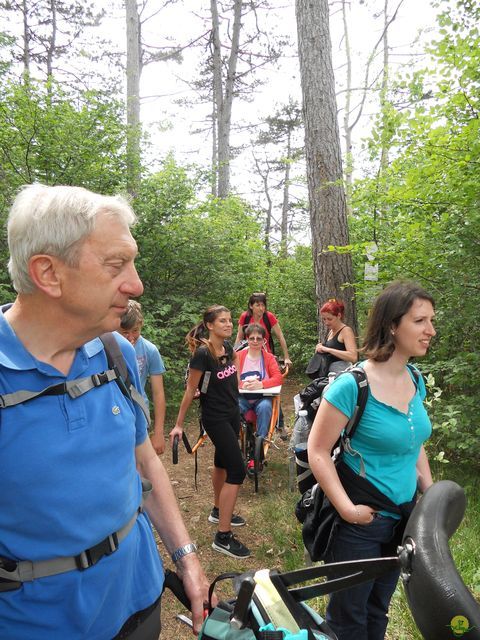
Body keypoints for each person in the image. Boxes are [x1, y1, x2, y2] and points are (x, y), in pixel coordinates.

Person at [0, 184, 209, 639]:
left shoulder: (112, 352)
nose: (136, 285)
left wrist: (187, 559)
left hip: (139, 599)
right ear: (48, 274)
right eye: (116, 265)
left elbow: (142, 461)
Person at [307, 281, 436, 640]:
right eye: (421, 321)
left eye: (431, 321)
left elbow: (413, 443)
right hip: (360, 524)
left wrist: (431, 492)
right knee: (348, 618)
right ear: (393, 325)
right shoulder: (352, 386)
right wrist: (348, 510)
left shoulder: (414, 378)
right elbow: (317, 452)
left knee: (378, 609)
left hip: (403, 519)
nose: (431, 331)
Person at [170, 305, 250, 559]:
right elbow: (190, 389)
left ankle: (218, 510)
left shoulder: (229, 349)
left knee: (222, 463)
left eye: (230, 320)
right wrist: (179, 425)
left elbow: (231, 379)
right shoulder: (202, 355)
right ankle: (222, 537)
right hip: (214, 418)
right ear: (210, 325)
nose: (229, 324)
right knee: (237, 470)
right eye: (223, 321)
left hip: (231, 413)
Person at [120, 300, 166, 455]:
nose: (131, 337)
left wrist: (158, 432)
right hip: (114, 416)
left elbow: (158, 393)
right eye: (125, 332)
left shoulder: (149, 350)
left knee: (143, 468)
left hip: (139, 415)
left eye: (135, 331)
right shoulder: (107, 347)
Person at [237, 323, 283, 438]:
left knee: (265, 407)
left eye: (259, 338)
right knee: (234, 407)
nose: (255, 341)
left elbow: (278, 378)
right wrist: (242, 384)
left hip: (262, 398)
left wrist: (261, 384)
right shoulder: (237, 356)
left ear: (264, 341)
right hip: (242, 398)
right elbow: (231, 377)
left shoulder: (269, 358)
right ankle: (235, 437)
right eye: (252, 338)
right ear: (247, 339)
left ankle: (261, 440)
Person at [235, 292, 292, 366]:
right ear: (251, 306)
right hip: (248, 355)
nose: (261, 308)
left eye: (263, 305)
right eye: (258, 305)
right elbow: (239, 337)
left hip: (266, 355)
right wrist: (235, 355)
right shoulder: (245, 317)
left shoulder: (269, 317)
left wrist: (286, 357)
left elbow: (280, 336)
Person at [315, 298, 358, 374]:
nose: (326, 322)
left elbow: (353, 357)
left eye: (329, 319)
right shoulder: (331, 331)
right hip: (328, 374)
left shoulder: (346, 331)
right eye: (324, 319)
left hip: (342, 374)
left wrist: (327, 349)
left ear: (339, 315)